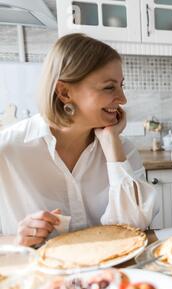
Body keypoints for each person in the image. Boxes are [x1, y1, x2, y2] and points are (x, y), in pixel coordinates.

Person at [0, 33, 159, 247]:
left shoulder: (122, 150)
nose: (123, 99)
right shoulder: (7, 151)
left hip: (111, 276)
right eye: (109, 87)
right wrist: (17, 239)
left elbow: (134, 231)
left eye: (121, 85)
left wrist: (112, 145)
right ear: (64, 92)